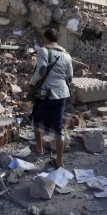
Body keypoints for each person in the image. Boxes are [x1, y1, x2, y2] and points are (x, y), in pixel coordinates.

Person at [29, 28, 73, 168]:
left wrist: (31, 82)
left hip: (44, 93)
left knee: (36, 118)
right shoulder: (66, 55)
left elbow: (41, 70)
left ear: (46, 39)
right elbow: (70, 77)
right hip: (61, 94)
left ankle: (39, 148)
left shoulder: (43, 50)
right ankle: (59, 160)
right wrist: (61, 87)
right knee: (58, 127)